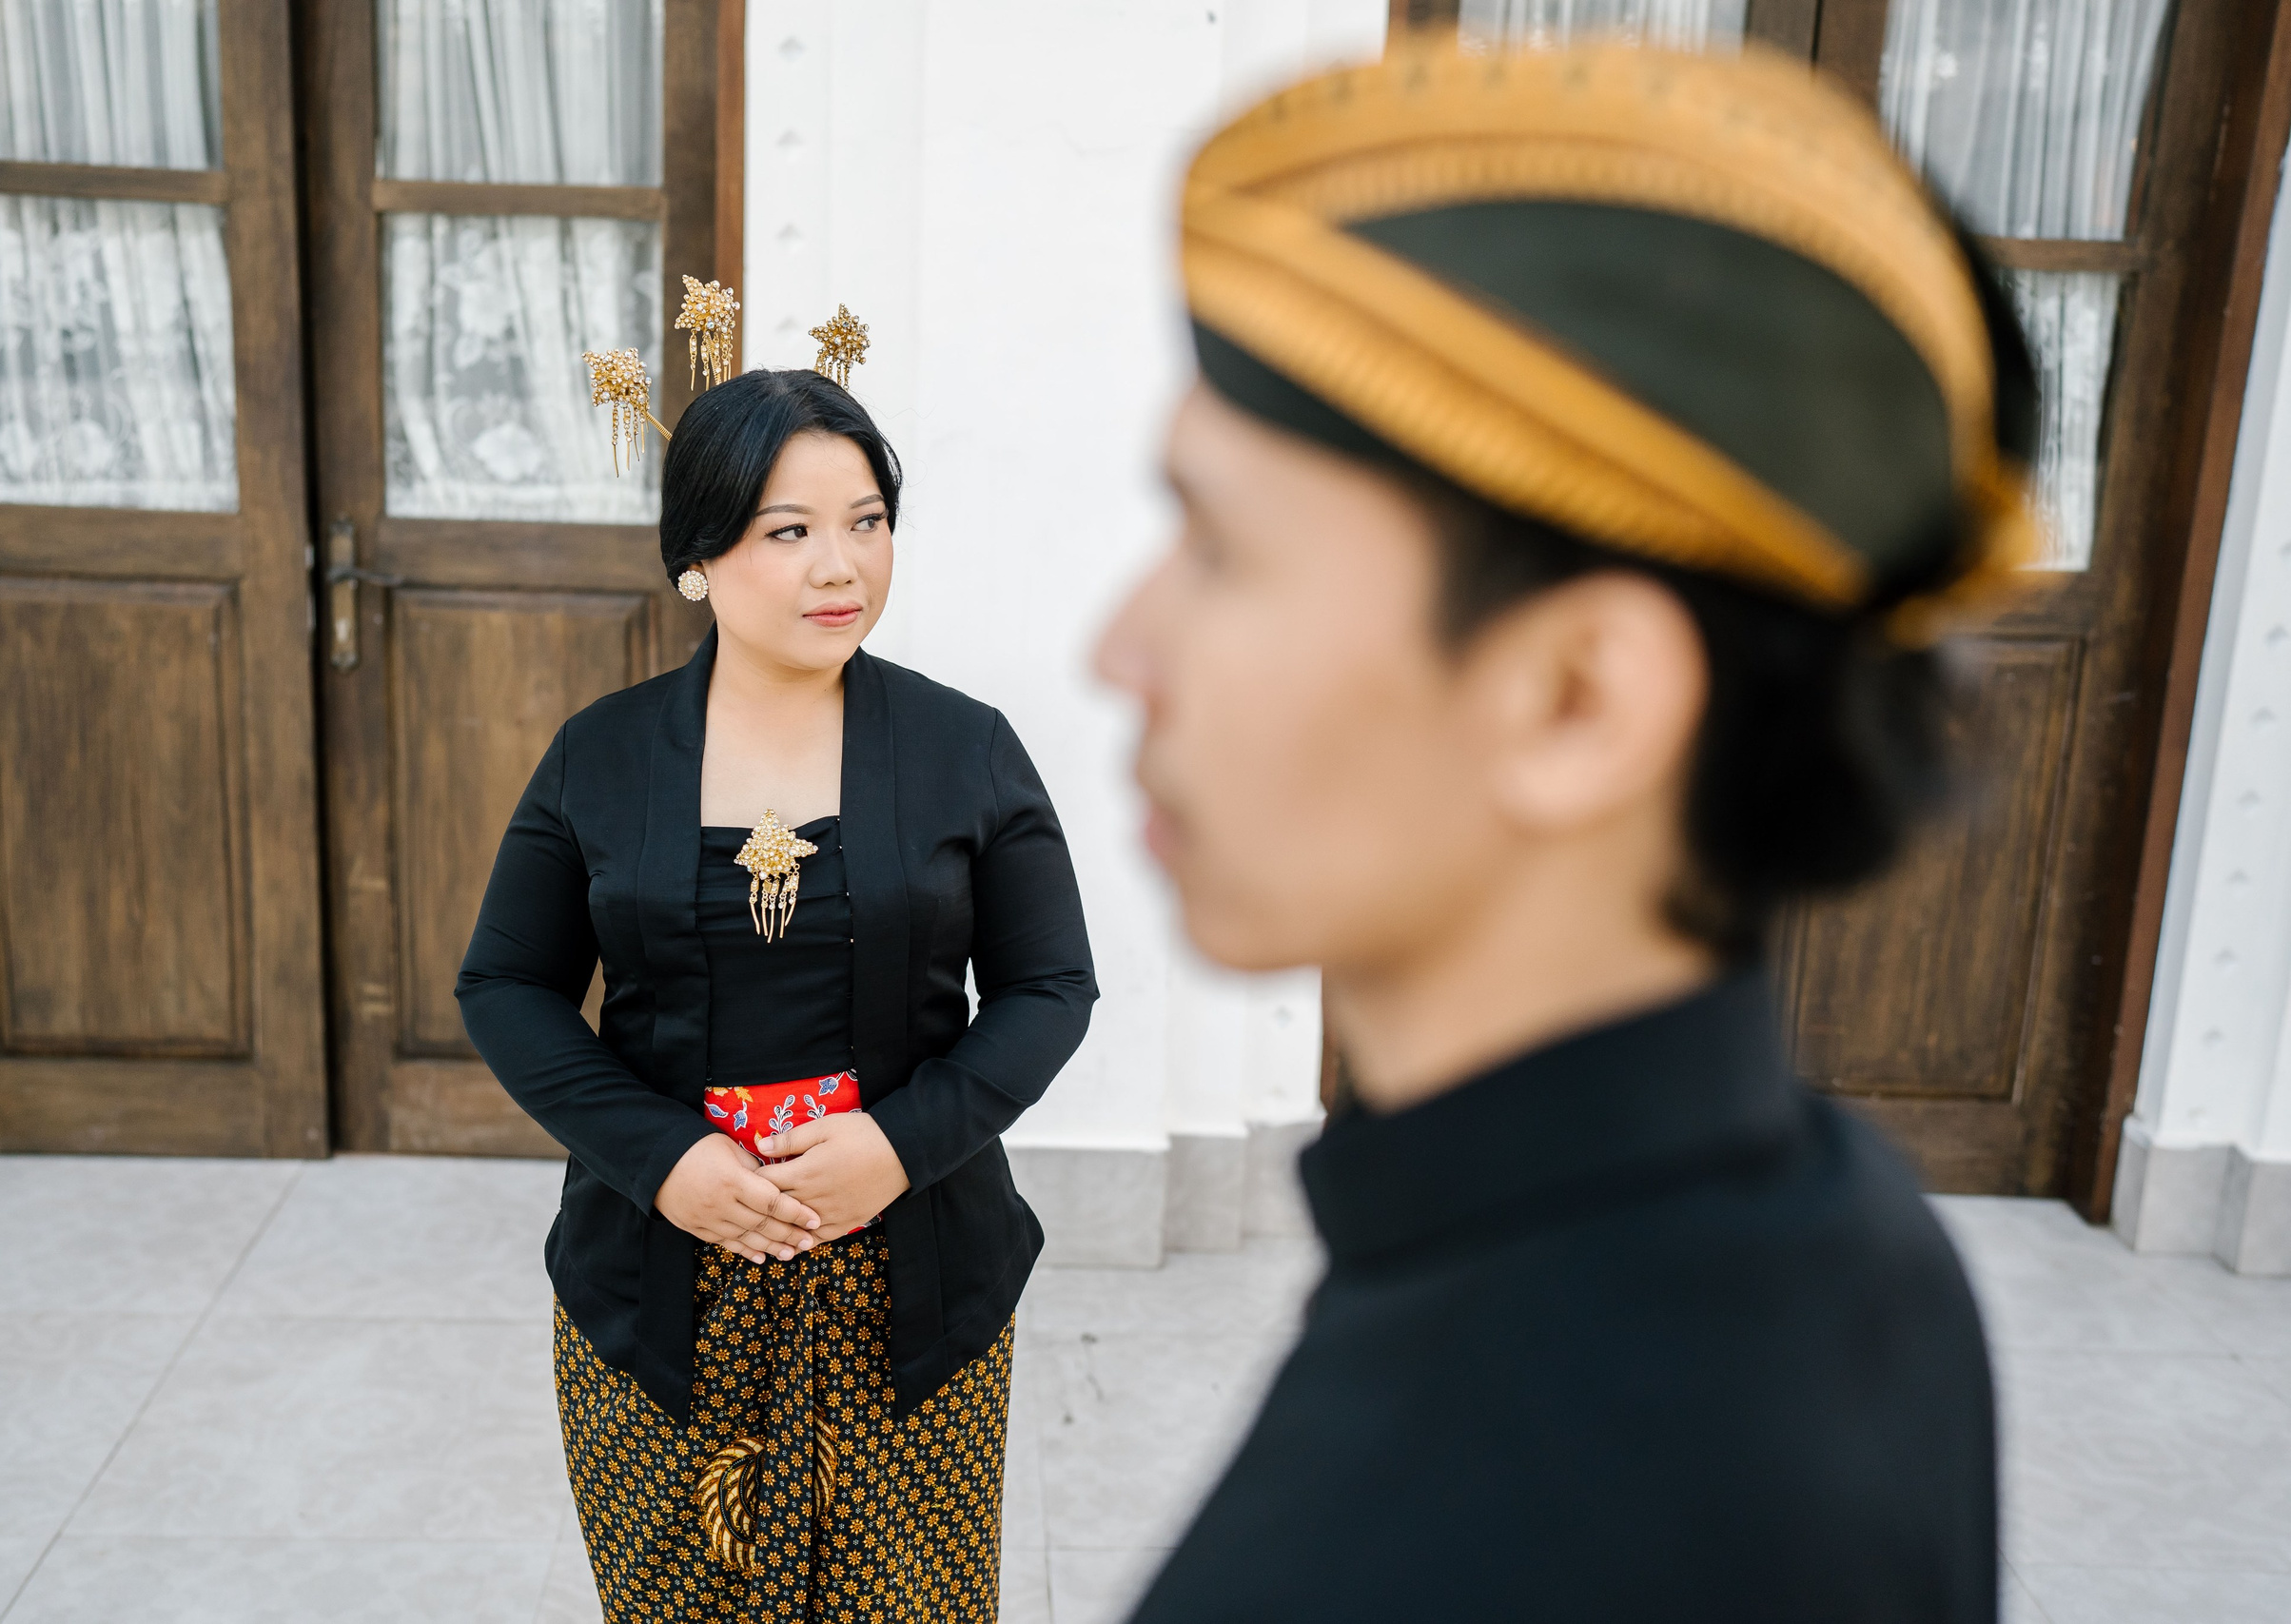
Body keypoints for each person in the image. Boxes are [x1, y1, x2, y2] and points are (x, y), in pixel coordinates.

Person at [1096, 39, 2036, 1623]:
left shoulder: (1415, 1545)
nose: (1122, 651)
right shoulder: (1853, 1235)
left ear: (1579, 699)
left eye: (1221, 548)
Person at [457, 345, 1096, 1620]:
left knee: (906, 1601)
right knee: (686, 1597)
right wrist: (664, 1158)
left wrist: (899, 1148)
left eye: (866, 523)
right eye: (789, 529)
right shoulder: (604, 755)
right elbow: (509, 985)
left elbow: (1049, 987)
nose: (840, 565)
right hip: (660, 1275)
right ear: (697, 553)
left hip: (911, 1278)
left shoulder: (964, 748)